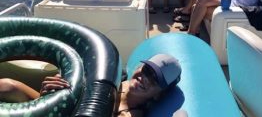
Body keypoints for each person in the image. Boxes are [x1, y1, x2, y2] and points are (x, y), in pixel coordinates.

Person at [0, 54, 181, 117]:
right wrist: (47, 95)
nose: (145, 77)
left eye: (154, 78)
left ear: (158, 95)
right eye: (146, 69)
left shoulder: (131, 114)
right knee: (9, 86)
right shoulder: (112, 74)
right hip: (58, 110)